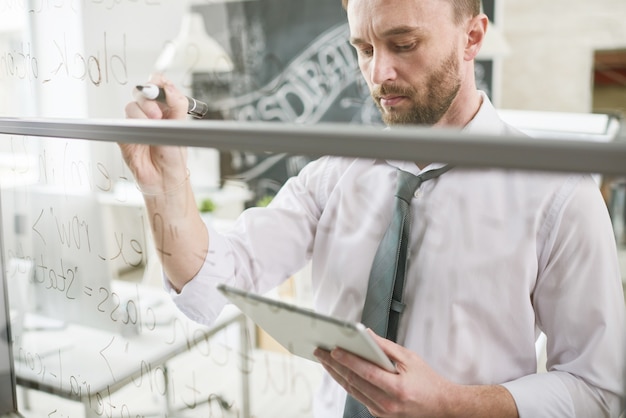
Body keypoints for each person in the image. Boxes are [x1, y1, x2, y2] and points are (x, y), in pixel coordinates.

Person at [121, 0, 626, 416]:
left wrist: (450, 404)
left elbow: (599, 390)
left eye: (404, 45)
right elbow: (208, 279)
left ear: (472, 38)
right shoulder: (337, 172)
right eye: (363, 48)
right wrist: (162, 183)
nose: (379, 73)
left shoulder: (558, 193)